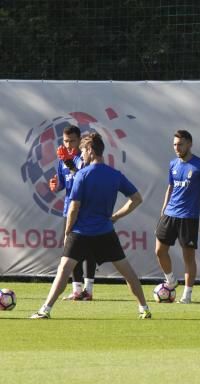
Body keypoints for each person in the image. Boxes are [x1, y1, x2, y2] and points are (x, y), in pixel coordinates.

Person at [32, 133, 151, 319]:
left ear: (90, 150)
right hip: (105, 231)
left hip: (80, 232)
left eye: (82, 151)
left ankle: (45, 310)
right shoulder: (115, 175)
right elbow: (136, 199)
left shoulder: (82, 175)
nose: (81, 155)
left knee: (63, 272)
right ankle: (144, 308)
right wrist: (115, 217)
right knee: (128, 272)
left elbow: (74, 207)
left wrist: (67, 231)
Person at [154, 130, 200, 304]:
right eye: (174, 144)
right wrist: (164, 210)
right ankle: (170, 280)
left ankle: (187, 294)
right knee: (159, 250)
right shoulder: (173, 164)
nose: (177, 148)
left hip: (189, 217)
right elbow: (170, 188)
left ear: (189, 144)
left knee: (188, 256)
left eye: (180, 144)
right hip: (170, 214)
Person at [48, 125, 97, 301]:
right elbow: (63, 183)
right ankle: (77, 290)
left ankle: (88, 290)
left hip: (86, 209)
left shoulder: (83, 157)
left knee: (90, 249)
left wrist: (70, 162)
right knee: (71, 249)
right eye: (65, 141)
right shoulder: (62, 160)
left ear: (79, 140)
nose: (68, 144)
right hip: (69, 209)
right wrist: (56, 186)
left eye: (72, 141)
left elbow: (83, 177)